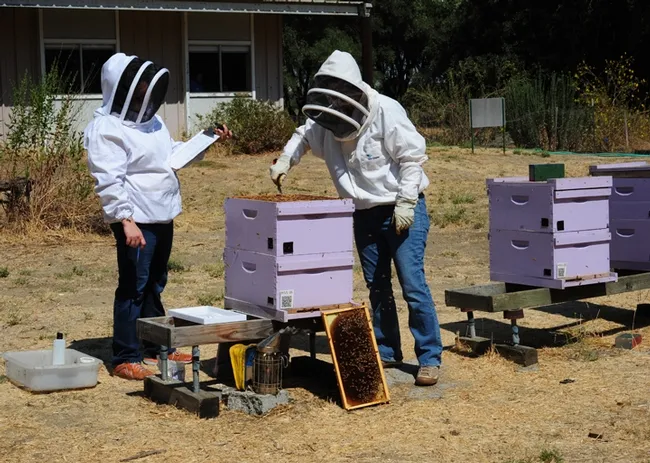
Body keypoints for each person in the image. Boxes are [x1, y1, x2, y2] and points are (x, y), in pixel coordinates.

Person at [269, 50, 443, 386]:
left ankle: (430, 357)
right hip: (362, 214)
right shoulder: (327, 117)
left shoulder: (386, 111)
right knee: (377, 287)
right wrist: (284, 162)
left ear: (355, 91)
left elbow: (411, 159)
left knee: (413, 285)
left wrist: (406, 202)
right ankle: (388, 350)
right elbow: (304, 135)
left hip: (401, 208)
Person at [85, 52, 232, 380]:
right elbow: (109, 178)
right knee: (133, 286)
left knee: (154, 283)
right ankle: (125, 356)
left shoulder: (153, 121)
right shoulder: (105, 129)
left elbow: (173, 156)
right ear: (122, 89)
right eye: (138, 88)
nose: (144, 93)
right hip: (136, 219)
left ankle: (155, 346)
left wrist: (206, 138)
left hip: (162, 214)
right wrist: (126, 220)